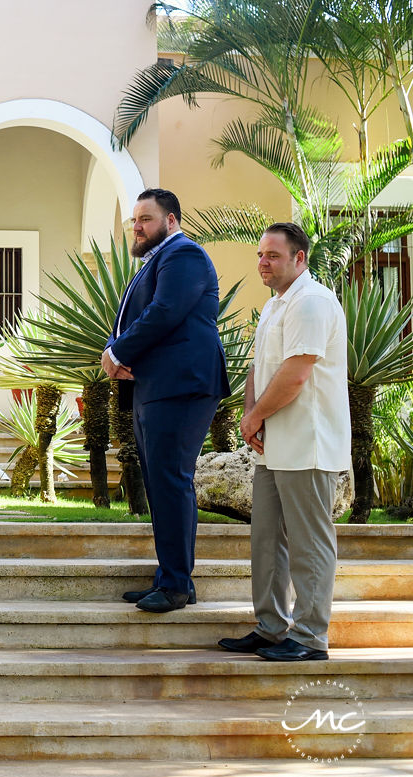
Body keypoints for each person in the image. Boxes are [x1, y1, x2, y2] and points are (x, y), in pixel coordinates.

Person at [218, 223, 349, 662]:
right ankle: (272, 627)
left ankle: (311, 637)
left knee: (309, 542)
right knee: (267, 537)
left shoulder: (311, 302)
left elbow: (295, 373)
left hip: (307, 443)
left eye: (273, 255)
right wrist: (249, 415)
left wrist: (255, 416)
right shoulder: (277, 305)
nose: (262, 263)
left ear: (299, 259)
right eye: (260, 254)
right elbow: (261, 366)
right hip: (273, 443)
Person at [101, 188, 229, 612]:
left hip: (182, 385)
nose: (137, 227)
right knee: (161, 483)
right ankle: (172, 577)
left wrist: (118, 354)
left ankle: (176, 584)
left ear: (171, 221)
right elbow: (130, 319)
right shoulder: (156, 260)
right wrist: (113, 349)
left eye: (147, 219)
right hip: (154, 386)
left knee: (171, 480)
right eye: (135, 220)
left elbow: (164, 312)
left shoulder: (184, 255)